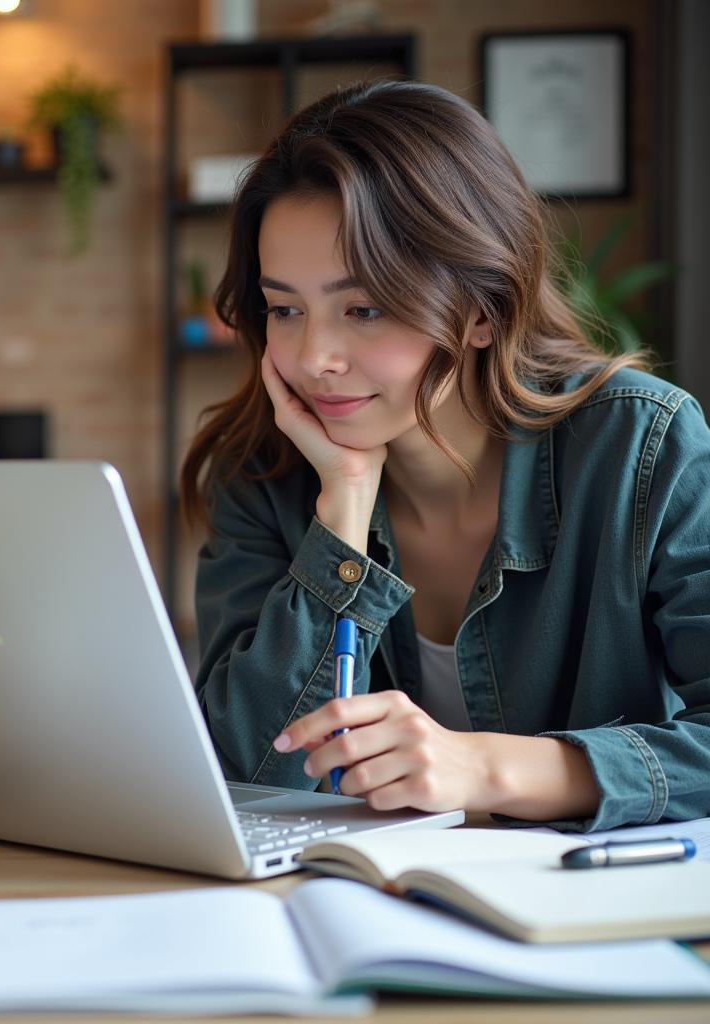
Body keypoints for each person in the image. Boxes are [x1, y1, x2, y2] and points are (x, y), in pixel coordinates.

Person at [179, 79, 710, 832]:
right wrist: (340, 528)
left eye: (363, 308)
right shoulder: (264, 472)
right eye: (285, 309)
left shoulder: (641, 448)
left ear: (484, 311)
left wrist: (486, 768)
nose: (314, 356)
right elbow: (244, 772)